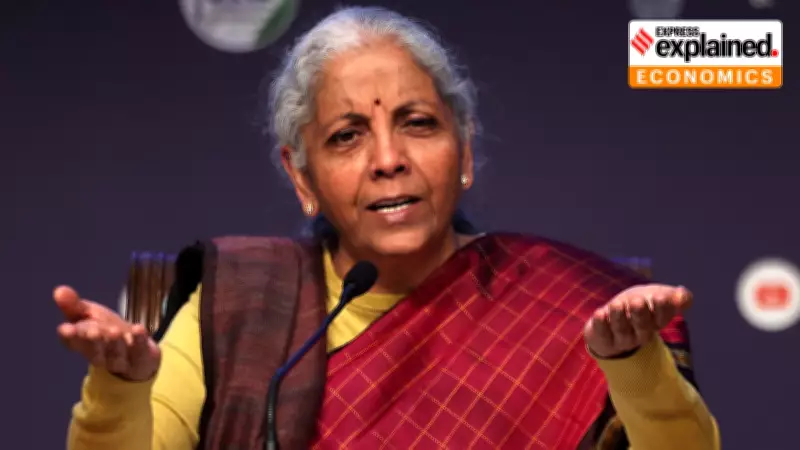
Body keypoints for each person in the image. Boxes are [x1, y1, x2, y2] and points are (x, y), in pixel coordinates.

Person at [56, 6, 720, 450]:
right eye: (347, 136)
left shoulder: (567, 305)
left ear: (464, 151)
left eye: (418, 123)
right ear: (302, 177)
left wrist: (632, 364)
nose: (388, 159)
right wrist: (119, 392)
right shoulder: (241, 302)